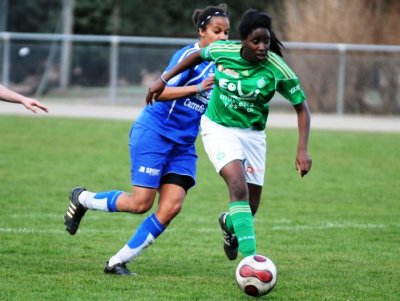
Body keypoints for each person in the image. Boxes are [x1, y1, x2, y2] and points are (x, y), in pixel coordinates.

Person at [63, 4, 230, 275]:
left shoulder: (224, 63)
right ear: (202, 32)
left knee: (172, 207)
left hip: (184, 144)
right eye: (217, 31)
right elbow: (158, 93)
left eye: (227, 33)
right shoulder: (189, 56)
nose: (223, 37)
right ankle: (82, 199)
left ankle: (117, 261)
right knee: (140, 204)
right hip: (155, 132)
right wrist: (198, 87)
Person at [147, 9, 312, 261]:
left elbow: (302, 108)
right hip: (218, 127)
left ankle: (229, 224)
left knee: (250, 207)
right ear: (243, 40)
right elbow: (195, 56)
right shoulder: (224, 51)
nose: (262, 47)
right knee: (237, 185)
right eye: (255, 41)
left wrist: (302, 149)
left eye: (265, 41)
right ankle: (251, 263)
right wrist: (163, 78)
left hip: (253, 135)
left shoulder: (277, 68)